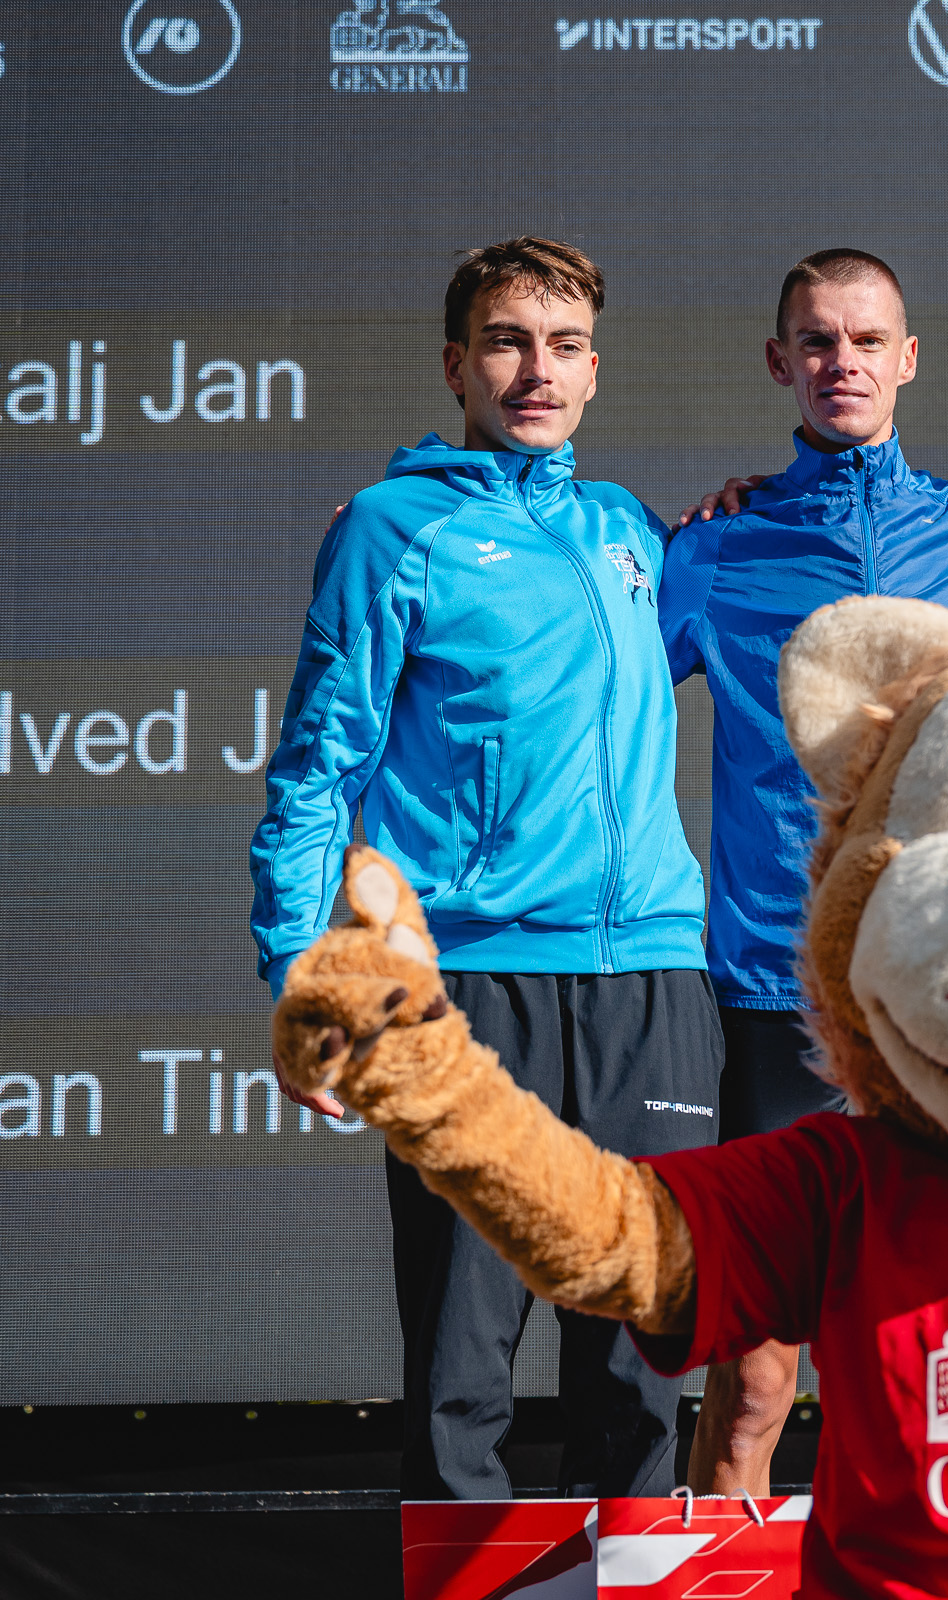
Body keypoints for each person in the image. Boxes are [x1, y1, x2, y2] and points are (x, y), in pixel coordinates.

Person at [248, 237, 719, 1501]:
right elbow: (316, 771)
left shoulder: (626, 529)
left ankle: (633, 1588)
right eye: (507, 342)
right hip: (472, 986)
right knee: (463, 1368)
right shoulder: (391, 528)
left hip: (653, 981)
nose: (536, 370)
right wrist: (303, 980)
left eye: (565, 346)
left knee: (641, 1366)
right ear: (457, 364)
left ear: (595, 371)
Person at [659, 248, 948, 1494]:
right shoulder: (717, 547)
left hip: (947, 990)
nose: (843, 362)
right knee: (758, 1377)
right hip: (780, 992)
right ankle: (720, 1562)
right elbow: (579, 668)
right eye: (818, 341)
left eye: (867, 340)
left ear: (908, 358)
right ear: (781, 361)